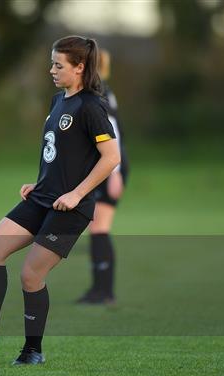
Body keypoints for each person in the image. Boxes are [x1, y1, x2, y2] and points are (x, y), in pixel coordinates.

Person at [0, 36, 121, 365]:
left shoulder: (91, 106)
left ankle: (32, 351)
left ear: (80, 68)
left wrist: (77, 193)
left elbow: (111, 157)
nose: (51, 70)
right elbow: (62, 154)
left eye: (58, 65)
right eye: (52, 63)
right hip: (41, 198)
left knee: (31, 275)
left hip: (71, 209)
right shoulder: (58, 101)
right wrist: (39, 183)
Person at [77, 49, 130, 305]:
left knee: (99, 227)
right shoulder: (99, 90)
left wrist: (116, 173)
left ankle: (104, 291)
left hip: (111, 168)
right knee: (96, 228)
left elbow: (113, 134)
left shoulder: (99, 92)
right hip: (103, 168)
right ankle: (99, 288)